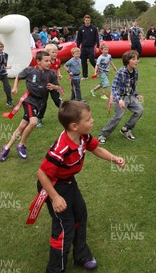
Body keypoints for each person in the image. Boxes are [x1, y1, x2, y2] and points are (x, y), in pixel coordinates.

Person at [37, 101, 125, 272]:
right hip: (53, 186)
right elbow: (42, 174)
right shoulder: (61, 149)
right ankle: (55, 268)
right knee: (65, 225)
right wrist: (55, 197)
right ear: (74, 126)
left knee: (80, 214)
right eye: (88, 119)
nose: (92, 121)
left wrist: (114, 158)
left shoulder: (83, 136)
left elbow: (96, 149)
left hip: (69, 182)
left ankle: (81, 255)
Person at [0, 50, 61, 161]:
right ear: (38, 61)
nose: (49, 63)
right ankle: (21, 145)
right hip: (29, 100)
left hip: (40, 103)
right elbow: (18, 76)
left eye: (50, 60)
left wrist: (55, 87)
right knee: (33, 122)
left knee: (22, 126)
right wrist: (15, 87)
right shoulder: (30, 70)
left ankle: (7, 147)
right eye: (46, 61)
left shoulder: (51, 73)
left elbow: (57, 87)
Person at [97, 50, 144, 144]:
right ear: (127, 60)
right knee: (118, 117)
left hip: (130, 96)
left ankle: (126, 128)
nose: (136, 61)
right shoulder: (121, 72)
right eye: (133, 59)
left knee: (139, 110)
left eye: (137, 59)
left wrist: (137, 95)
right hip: (121, 97)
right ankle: (103, 134)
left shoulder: (136, 72)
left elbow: (133, 86)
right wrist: (119, 100)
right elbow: (114, 88)